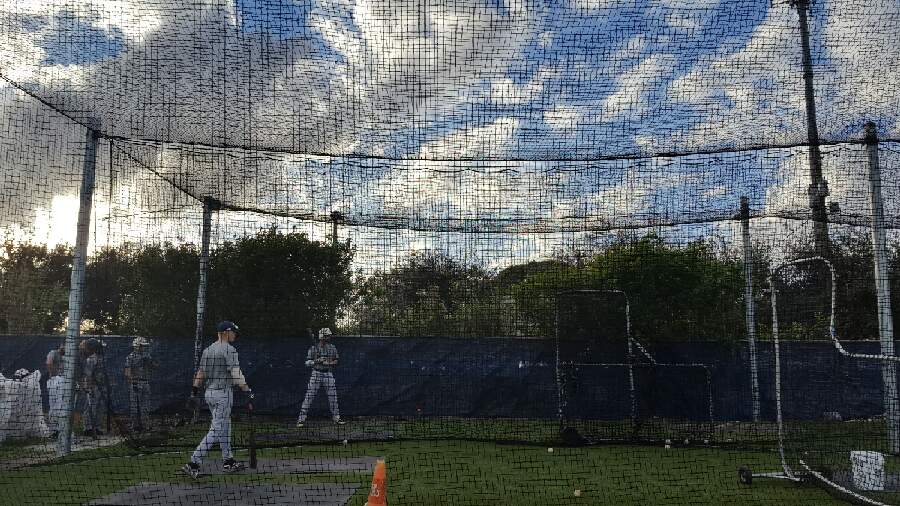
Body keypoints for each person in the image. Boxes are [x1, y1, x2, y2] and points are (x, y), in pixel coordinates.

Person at [182, 321, 254, 479]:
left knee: (224, 426)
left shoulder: (208, 350)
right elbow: (236, 373)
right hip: (223, 394)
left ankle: (228, 461)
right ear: (226, 332)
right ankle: (193, 463)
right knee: (216, 430)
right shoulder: (229, 349)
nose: (235, 334)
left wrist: (194, 392)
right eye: (233, 332)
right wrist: (247, 390)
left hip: (210, 394)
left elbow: (200, 373)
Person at [296, 327, 344, 428]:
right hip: (316, 373)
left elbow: (336, 360)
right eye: (327, 336)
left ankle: (336, 418)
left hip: (328, 373)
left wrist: (329, 363)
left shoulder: (332, 347)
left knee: (333, 397)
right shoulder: (313, 348)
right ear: (322, 337)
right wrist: (317, 361)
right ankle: (301, 419)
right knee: (309, 396)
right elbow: (307, 363)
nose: (329, 337)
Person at [124, 337, 157, 432]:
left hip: (145, 382)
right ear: (138, 346)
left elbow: (155, 366)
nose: (144, 348)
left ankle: (145, 426)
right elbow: (127, 372)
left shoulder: (147, 356)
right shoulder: (130, 357)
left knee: (145, 406)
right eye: (143, 346)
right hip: (136, 382)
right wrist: (132, 381)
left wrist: (150, 361)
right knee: (134, 406)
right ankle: (135, 426)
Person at [79, 338, 107, 437]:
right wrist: (89, 388)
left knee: (100, 408)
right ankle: (88, 428)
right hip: (94, 386)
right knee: (91, 407)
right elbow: (88, 375)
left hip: (102, 386)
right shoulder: (91, 359)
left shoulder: (102, 358)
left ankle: (97, 427)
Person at [45, 342, 66, 436]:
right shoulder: (53, 352)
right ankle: (54, 430)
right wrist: (55, 375)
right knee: (55, 406)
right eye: (64, 346)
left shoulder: (67, 356)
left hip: (63, 381)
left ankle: (59, 429)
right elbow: (49, 363)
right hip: (55, 380)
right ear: (62, 345)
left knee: (60, 406)